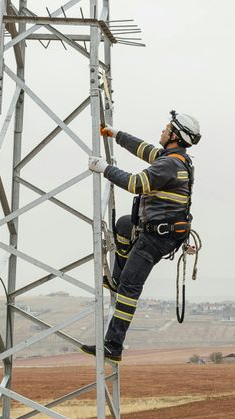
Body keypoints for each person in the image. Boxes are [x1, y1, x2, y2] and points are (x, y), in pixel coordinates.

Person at [82, 110, 201, 362]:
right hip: (160, 231)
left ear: (175, 135)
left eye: (166, 128)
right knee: (124, 225)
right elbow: (143, 149)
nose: (162, 130)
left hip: (157, 238)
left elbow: (136, 183)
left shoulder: (169, 164)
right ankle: (116, 278)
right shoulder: (175, 159)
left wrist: (104, 168)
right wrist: (115, 134)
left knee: (130, 288)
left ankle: (113, 345)